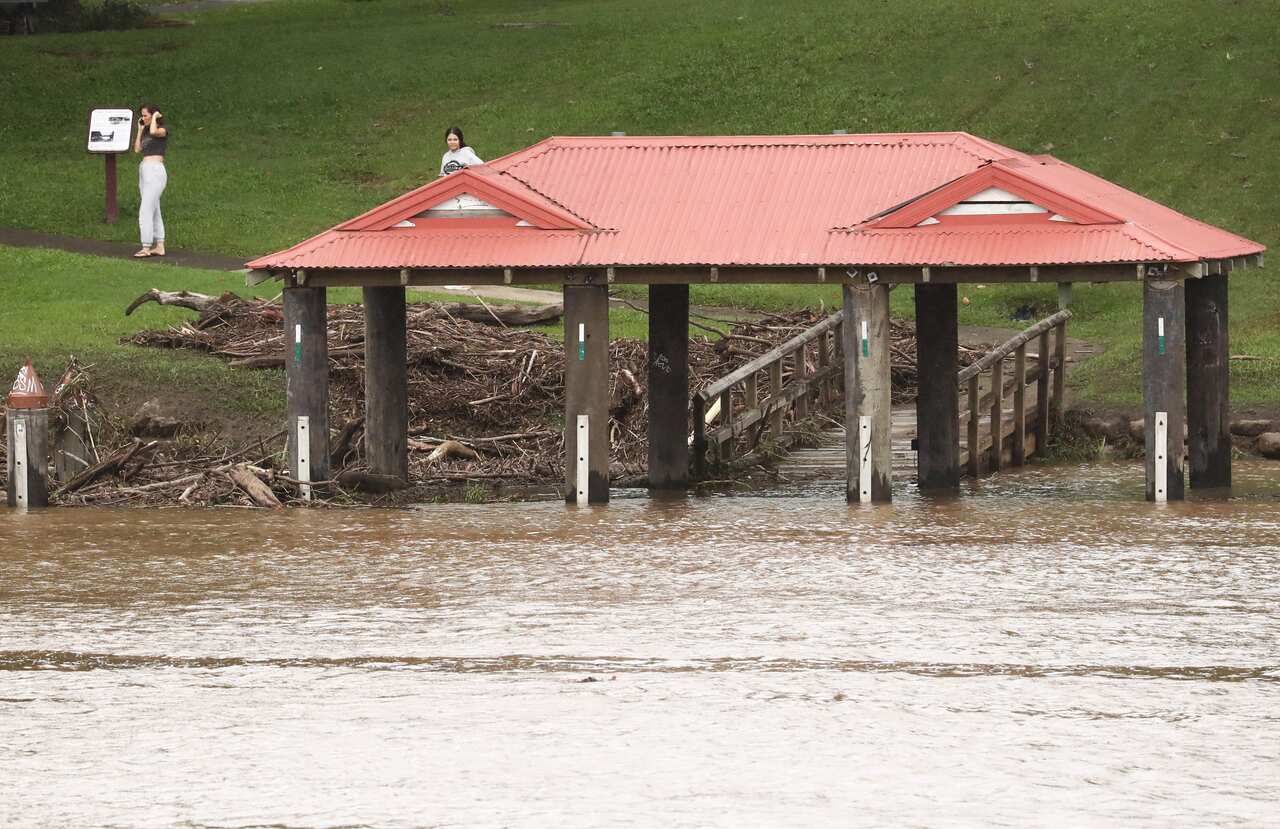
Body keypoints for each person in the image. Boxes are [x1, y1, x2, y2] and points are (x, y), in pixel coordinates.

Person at [133, 105, 168, 257]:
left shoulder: (162, 129)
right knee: (154, 209)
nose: (143, 118)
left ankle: (146, 246)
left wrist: (154, 118)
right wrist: (140, 130)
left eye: (146, 115)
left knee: (145, 210)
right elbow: (137, 149)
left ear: (154, 115)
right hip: (145, 168)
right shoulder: (146, 131)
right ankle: (159, 245)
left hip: (155, 170)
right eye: (142, 115)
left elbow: (155, 131)